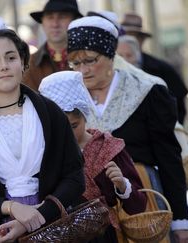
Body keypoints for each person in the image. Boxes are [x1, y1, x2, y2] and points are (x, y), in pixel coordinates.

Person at [0, 16, 85, 242]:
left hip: (53, 226)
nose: (4, 66)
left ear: (23, 62)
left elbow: (75, 177)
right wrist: (12, 208)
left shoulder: (51, 113)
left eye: (11, 57)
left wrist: (39, 214)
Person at [66, 16, 188, 242]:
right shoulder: (69, 99)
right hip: (91, 210)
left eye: (90, 60)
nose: (82, 70)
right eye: (75, 63)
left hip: (144, 198)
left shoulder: (146, 90)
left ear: (111, 56)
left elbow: (168, 157)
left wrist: (181, 221)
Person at [39, 70, 146, 242]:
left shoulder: (109, 148)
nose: (68, 135)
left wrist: (121, 184)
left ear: (85, 115)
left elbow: (138, 206)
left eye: (74, 126)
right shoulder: (44, 155)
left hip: (105, 236)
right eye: (60, 128)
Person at [121, 13, 188, 124]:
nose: (128, 43)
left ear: (141, 41)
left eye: (133, 38)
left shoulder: (162, 69)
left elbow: (178, 103)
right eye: (125, 37)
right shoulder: (108, 72)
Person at [23, 0, 83, 91]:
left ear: (75, 21)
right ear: (42, 23)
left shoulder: (88, 60)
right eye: (50, 17)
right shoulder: (29, 65)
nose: (55, 24)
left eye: (62, 17)